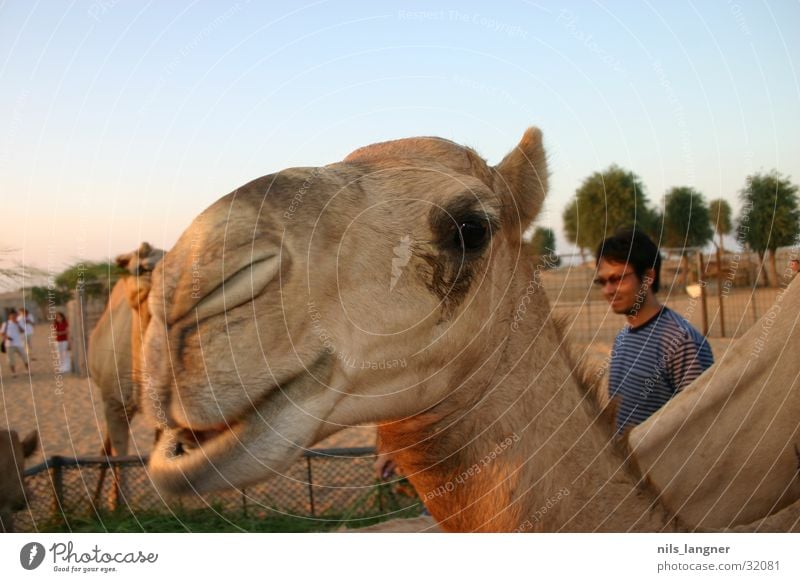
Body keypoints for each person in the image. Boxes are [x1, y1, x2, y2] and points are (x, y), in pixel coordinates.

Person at [594, 229, 714, 432]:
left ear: (648, 277)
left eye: (618, 279)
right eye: (602, 282)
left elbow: (703, 425)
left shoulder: (680, 341)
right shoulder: (623, 338)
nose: (608, 290)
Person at [0, 310, 30, 377]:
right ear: (9, 316)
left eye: (15, 315)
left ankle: (27, 371)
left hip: (19, 343)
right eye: (13, 315)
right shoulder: (6, 323)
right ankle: (13, 373)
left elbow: (22, 331)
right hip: (9, 344)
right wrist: (7, 337)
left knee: (25, 357)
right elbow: (1, 333)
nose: (14, 317)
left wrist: (18, 324)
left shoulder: (19, 323)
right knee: (11, 359)